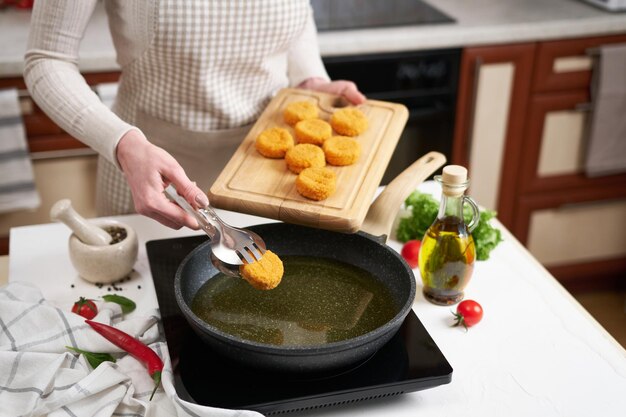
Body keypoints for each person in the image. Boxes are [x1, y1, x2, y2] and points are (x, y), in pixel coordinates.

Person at [24, 0, 366, 230]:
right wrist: (122, 144)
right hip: (151, 181)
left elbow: (293, 14)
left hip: (271, 179)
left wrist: (309, 79)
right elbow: (47, 58)